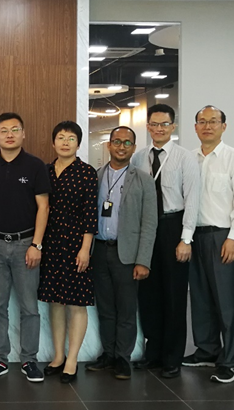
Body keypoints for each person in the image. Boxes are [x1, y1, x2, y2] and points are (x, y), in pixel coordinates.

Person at [0, 112, 50, 383]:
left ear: (23, 134)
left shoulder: (35, 165)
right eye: (4, 130)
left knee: (29, 306)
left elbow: (44, 207)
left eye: (15, 129)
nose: (9, 134)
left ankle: (29, 360)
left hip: (25, 244)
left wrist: (36, 244)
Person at [130, 104, 200, 378]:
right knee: (148, 293)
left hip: (173, 226)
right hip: (146, 228)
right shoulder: (139, 157)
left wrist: (186, 239)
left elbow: (192, 199)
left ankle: (172, 357)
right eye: (154, 124)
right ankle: (154, 353)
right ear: (147, 126)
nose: (159, 129)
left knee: (173, 294)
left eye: (164, 124)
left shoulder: (185, 157)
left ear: (173, 126)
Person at [187, 105, 234, 384]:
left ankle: (232, 360)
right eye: (202, 122)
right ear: (195, 127)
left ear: (224, 126)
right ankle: (207, 350)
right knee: (200, 298)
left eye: (213, 121)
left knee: (228, 302)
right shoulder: (189, 159)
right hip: (195, 236)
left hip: (223, 236)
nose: (207, 126)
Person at [85, 127, 157, 380]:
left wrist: (143, 261)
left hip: (127, 254)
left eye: (127, 143)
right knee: (105, 308)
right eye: (117, 141)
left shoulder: (144, 180)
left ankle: (122, 358)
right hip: (99, 250)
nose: (121, 146)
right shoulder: (95, 176)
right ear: (109, 145)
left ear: (133, 148)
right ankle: (108, 354)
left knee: (126, 309)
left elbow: (149, 223)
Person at [37, 121, 97, 383]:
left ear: (78, 144)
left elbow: (90, 214)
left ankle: (72, 359)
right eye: (60, 137)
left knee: (76, 303)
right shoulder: (45, 171)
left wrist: (85, 249)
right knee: (55, 301)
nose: (65, 142)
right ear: (53, 142)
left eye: (71, 138)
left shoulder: (87, 173)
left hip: (75, 245)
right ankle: (58, 356)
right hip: (50, 243)